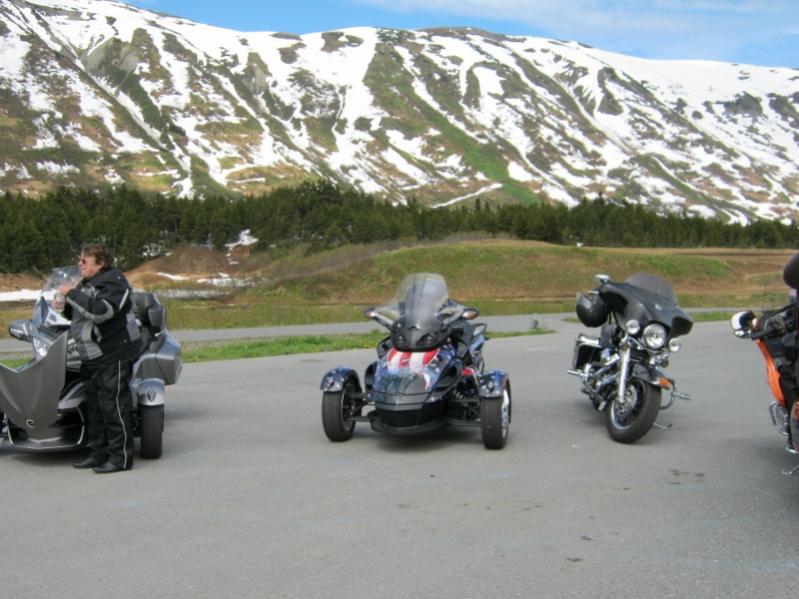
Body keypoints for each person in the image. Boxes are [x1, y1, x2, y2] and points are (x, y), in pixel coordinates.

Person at [59, 244, 141, 473]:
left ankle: (120, 459)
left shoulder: (114, 281)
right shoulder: (87, 284)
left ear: (101, 263)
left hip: (112, 353)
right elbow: (80, 313)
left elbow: (102, 311)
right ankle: (98, 454)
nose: (80, 263)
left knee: (113, 407)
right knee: (94, 408)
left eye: (85, 260)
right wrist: (64, 306)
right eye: (80, 259)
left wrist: (71, 294)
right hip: (92, 355)